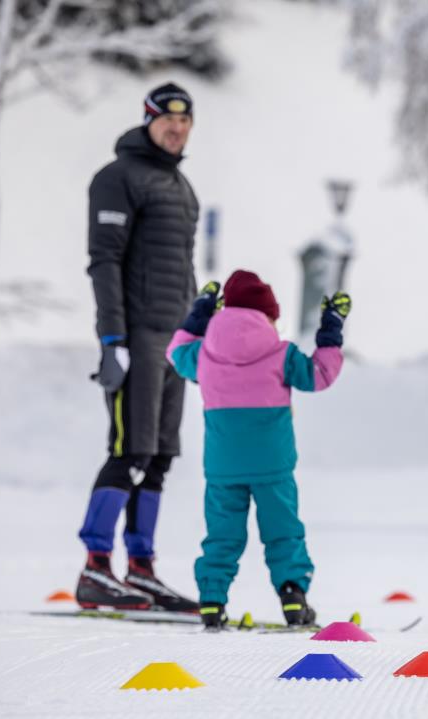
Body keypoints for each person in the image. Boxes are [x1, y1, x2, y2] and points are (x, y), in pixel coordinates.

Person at [165, 270, 350, 629]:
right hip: (273, 466)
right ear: (268, 316)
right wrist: (331, 328)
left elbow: (175, 352)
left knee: (222, 535)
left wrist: (199, 313)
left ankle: (212, 601)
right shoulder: (281, 354)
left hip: (222, 467)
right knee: (283, 531)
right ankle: (293, 595)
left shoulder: (204, 354)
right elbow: (320, 374)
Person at [76, 82, 200, 611]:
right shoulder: (117, 178)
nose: (177, 129)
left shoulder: (181, 186)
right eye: (167, 120)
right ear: (148, 120)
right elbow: (104, 261)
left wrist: (196, 330)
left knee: (160, 456)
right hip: (136, 336)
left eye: (185, 121)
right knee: (131, 451)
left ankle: (141, 569)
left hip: (174, 341)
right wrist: (113, 340)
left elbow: (183, 266)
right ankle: (96, 567)